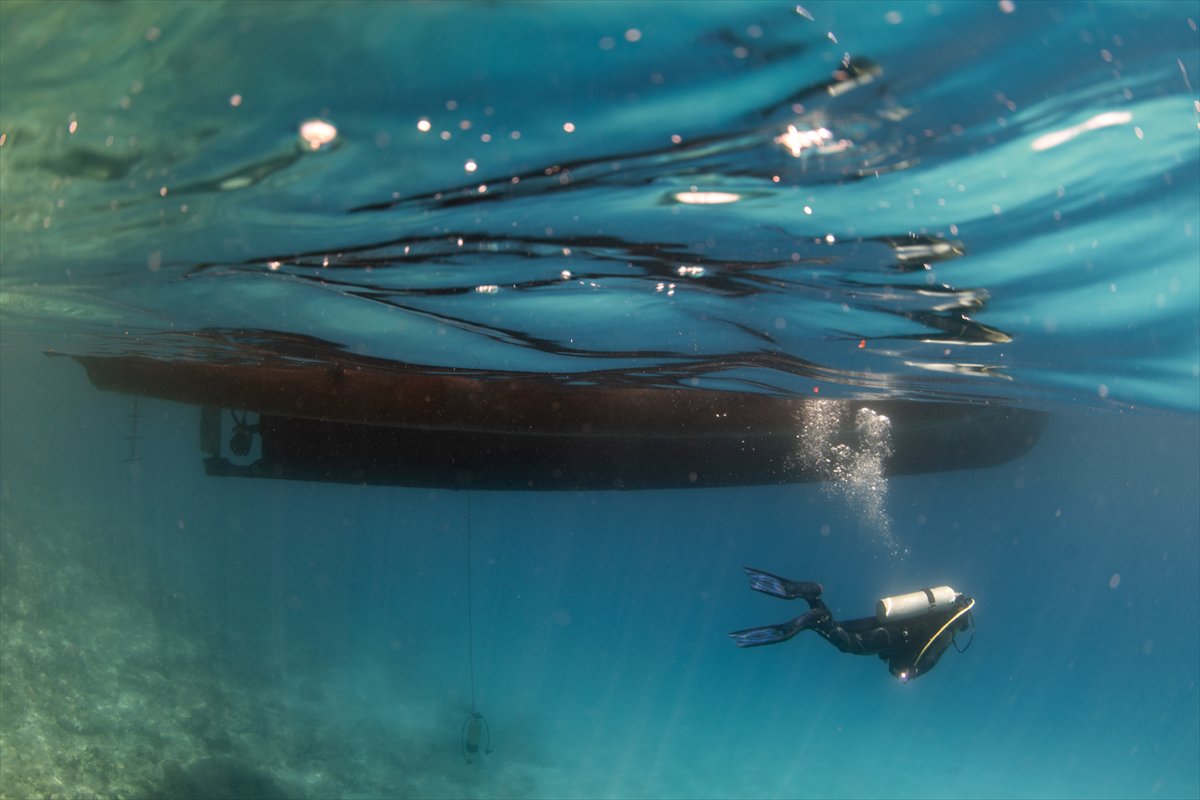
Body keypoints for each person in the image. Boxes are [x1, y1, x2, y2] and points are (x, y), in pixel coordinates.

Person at [729, 567, 975, 681]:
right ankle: (816, 617)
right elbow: (930, 658)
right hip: (894, 635)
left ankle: (812, 594)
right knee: (847, 644)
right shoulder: (946, 631)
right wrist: (911, 673)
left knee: (840, 628)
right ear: (961, 622)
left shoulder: (934, 612)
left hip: (883, 621)